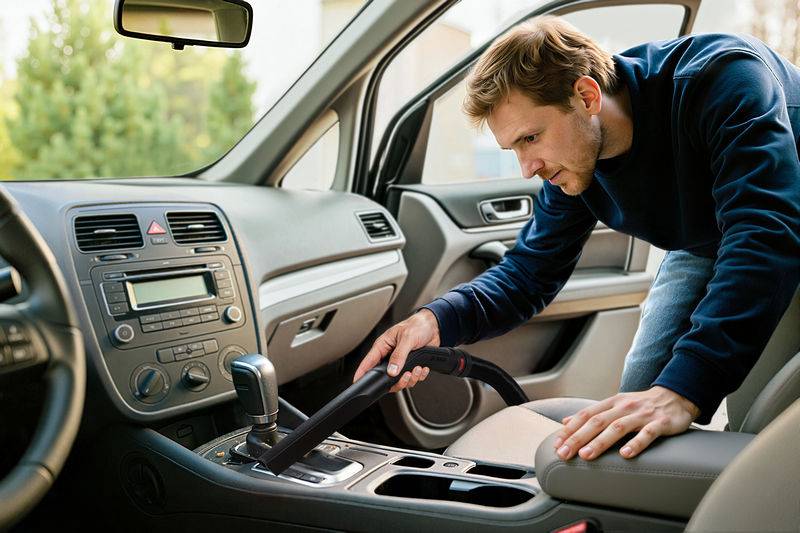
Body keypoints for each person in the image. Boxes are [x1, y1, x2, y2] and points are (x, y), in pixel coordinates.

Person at [354, 16, 800, 462]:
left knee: (759, 421)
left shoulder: (722, 80)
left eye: (532, 138)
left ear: (586, 95)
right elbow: (529, 273)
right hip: (708, 241)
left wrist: (684, 389)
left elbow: (765, 234)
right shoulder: (575, 160)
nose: (528, 168)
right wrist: (432, 323)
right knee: (634, 415)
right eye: (515, 148)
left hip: (780, 222)